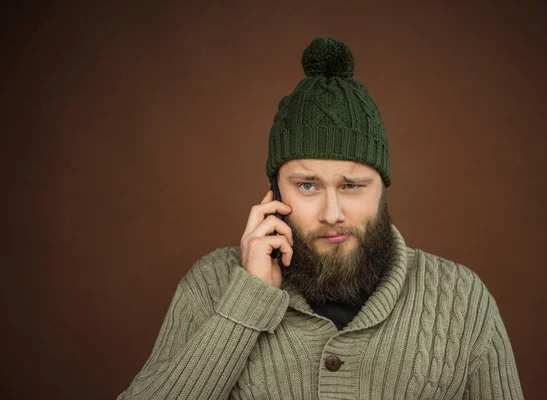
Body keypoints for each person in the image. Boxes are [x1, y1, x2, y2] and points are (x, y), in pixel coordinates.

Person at [118, 37, 523, 399]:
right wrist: (247, 302)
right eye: (308, 186)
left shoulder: (462, 300)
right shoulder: (210, 285)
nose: (332, 214)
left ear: (382, 189)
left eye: (352, 186)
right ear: (275, 192)